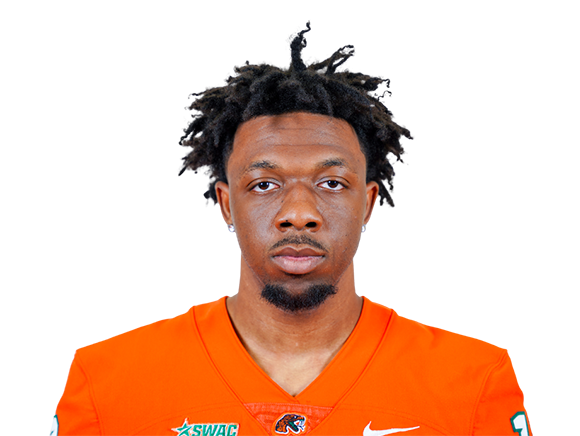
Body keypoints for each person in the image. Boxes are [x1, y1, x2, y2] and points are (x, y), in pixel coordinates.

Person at [56, 23, 528, 436]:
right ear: (226, 204)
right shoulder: (108, 382)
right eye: (264, 184)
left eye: (331, 183)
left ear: (368, 204)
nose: (299, 213)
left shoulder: (473, 381)